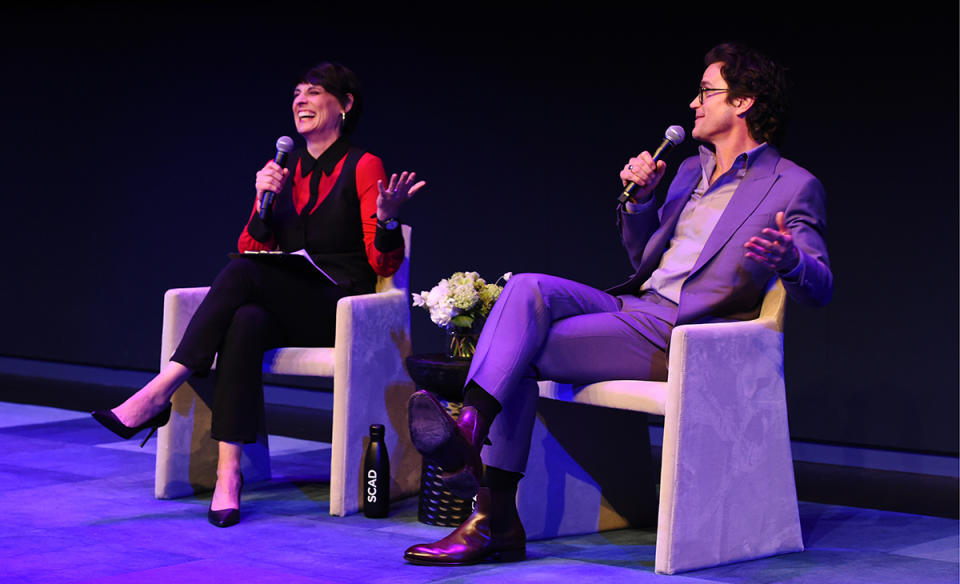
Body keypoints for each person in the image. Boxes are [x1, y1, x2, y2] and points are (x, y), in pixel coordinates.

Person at [403, 42, 832, 565]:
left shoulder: (792, 185)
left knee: (521, 351)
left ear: (743, 103)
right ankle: (473, 429)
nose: (694, 103)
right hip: (635, 306)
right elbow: (643, 256)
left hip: (682, 330)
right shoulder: (687, 174)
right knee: (525, 288)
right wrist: (642, 200)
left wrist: (790, 260)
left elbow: (821, 284)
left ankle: (492, 515)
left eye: (706, 92)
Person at [92, 62, 425, 528]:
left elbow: (383, 265)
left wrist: (388, 219)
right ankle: (230, 474)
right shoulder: (283, 170)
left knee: (242, 274)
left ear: (346, 105)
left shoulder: (363, 165)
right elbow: (253, 246)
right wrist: (262, 198)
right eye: (296, 93)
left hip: (342, 306)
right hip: (287, 299)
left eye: (314, 92)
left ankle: (159, 390)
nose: (300, 101)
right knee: (245, 319)